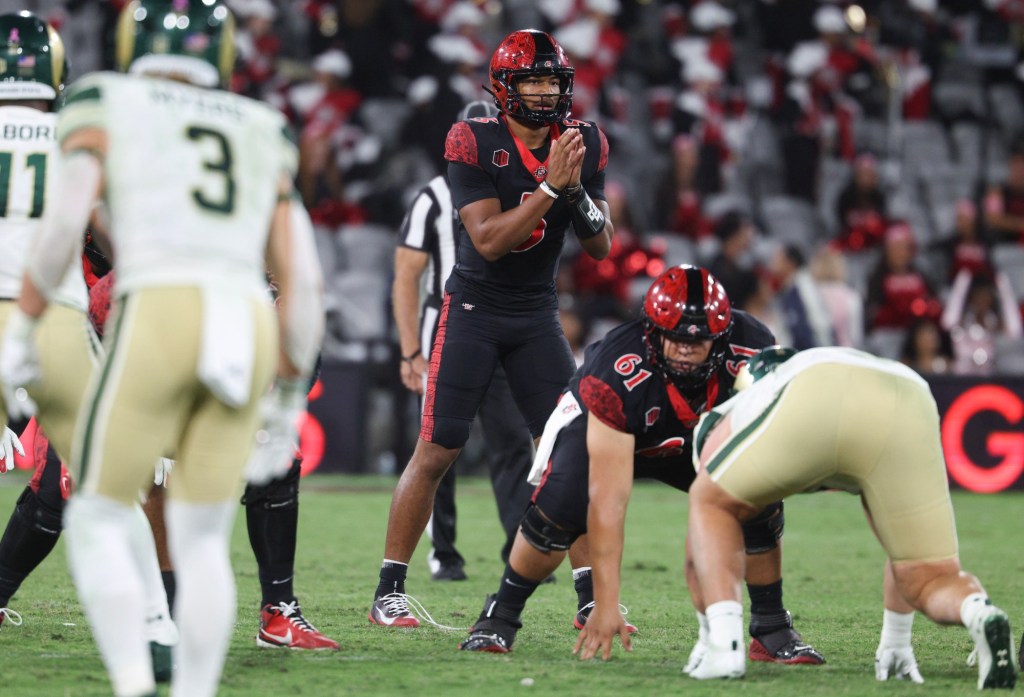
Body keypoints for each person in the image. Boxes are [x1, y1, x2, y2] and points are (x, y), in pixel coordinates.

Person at [0, 3, 324, 697]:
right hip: (244, 312)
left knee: (98, 505)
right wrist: (292, 397)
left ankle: (132, 678)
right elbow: (304, 274)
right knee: (203, 534)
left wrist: (26, 325)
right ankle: (192, 687)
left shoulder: (104, 100)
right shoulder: (262, 126)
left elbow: (63, 223)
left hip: (159, 303)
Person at [461, 265, 824, 670]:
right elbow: (608, 501)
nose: (685, 347)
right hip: (608, 428)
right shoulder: (617, 369)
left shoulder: (753, 345)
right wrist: (606, 602)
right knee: (558, 513)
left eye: (698, 339)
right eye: (674, 336)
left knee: (758, 498)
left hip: (697, 435)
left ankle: (771, 625)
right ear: (652, 331)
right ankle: (501, 614)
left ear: (721, 337)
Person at [369, 28, 613, 628]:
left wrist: (575, 191)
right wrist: (551, 187)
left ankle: (590, 600)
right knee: (437, 449)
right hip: (474, 309)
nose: (542, 91)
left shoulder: (584, 141)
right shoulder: (472, 138)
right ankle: (389, 590)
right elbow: (489, 240)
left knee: (569, 452)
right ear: (504, 87)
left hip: (536, 314)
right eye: (531, 79)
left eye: (551, 80)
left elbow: (602, 245)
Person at [0, 10, 179, 668]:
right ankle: (157, 625)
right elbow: (108, 228)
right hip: (51, 312)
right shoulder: (73, 132)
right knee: (108, 476)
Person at [677, 345, 1017, 689]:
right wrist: (896, 639)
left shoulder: (742, 405)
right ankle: (979, 612)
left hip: (815, 388)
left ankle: (724, 648)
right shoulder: (821, 368)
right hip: (908, 393)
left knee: (709, 503)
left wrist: (708, 635)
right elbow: (894, 542)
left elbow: (701, 541)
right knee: (929, 575)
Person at [392, 100, 536, 581]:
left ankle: (522, 550)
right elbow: (406, 275)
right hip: (449, 324)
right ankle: (443, 555)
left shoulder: (522, 185)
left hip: (508, 320)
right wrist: (411, 349)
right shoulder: (434, 196)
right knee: (439, 446)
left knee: (514, 442)